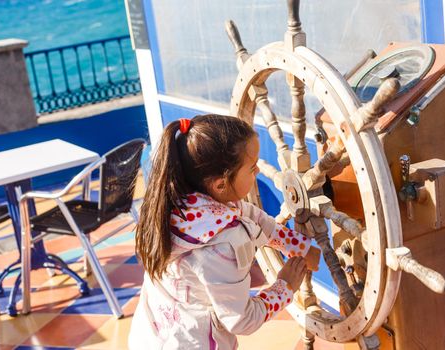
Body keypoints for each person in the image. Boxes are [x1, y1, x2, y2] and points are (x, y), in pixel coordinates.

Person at [129, 114, 321, 349]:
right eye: (251, 168)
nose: (258, 171)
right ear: (220, 184)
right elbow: (242, 319)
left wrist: (298, 246)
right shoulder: (224, 243)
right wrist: (285, 287)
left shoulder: (177, 203)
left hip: (150, 336)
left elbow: (253, 216)